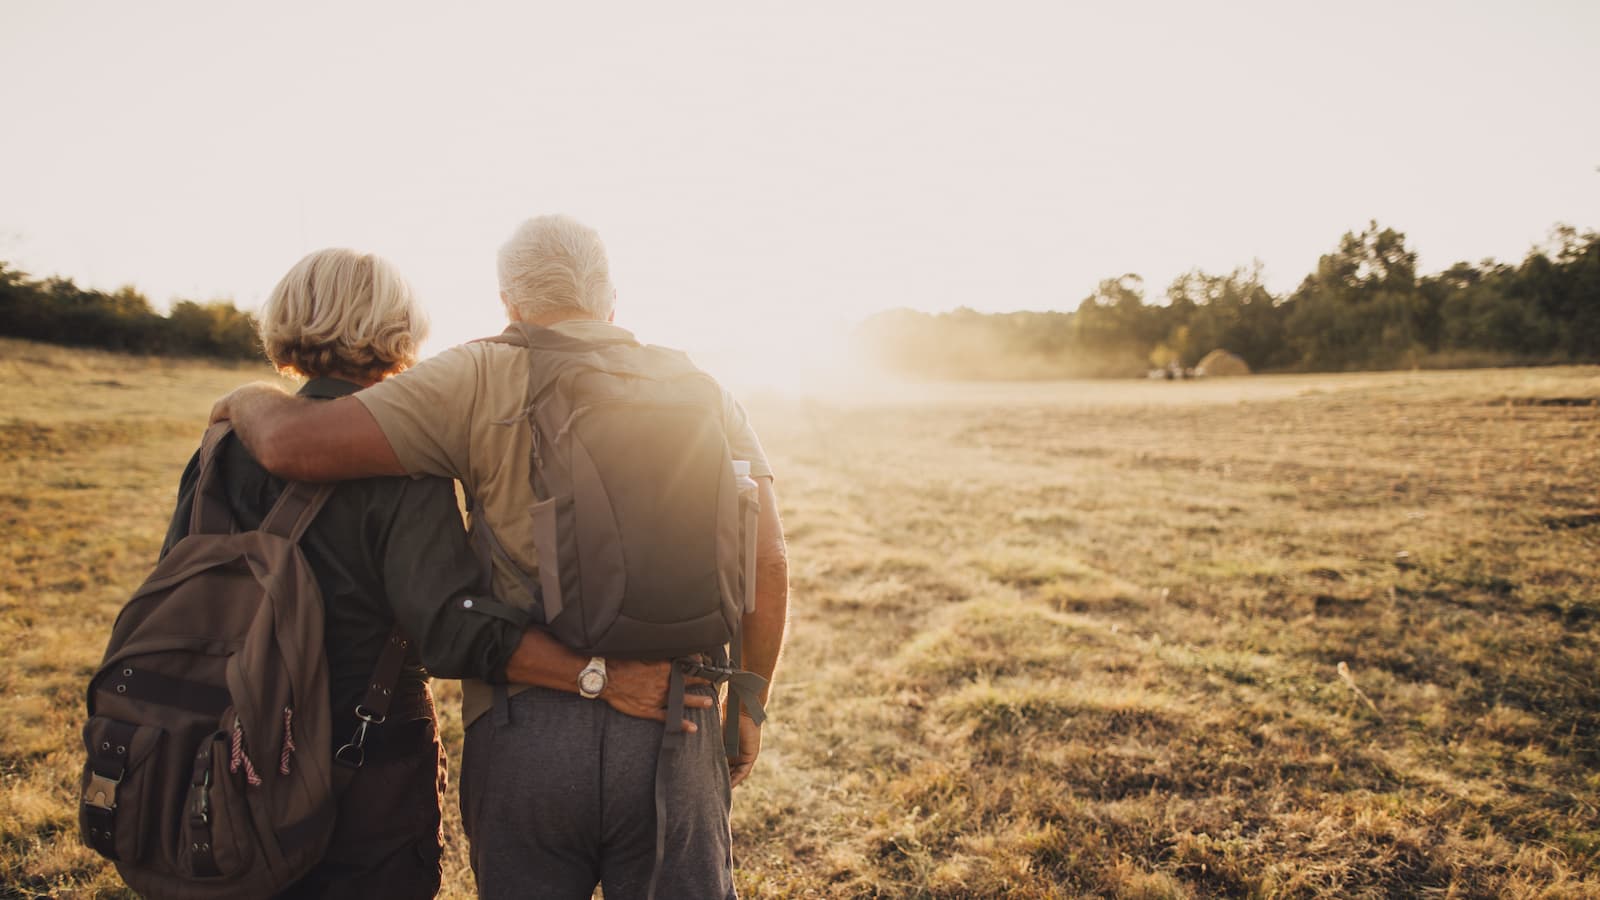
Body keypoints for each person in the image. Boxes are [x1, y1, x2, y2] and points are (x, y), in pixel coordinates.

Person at [209, 216, 789, 900]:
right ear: (611, 300)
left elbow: (295, 446)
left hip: (525, 729)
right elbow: (770, 561)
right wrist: (748, 699)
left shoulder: (475, 373)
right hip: (677, 714)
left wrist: (245, 399)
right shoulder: (705, 390)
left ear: (509, 302)